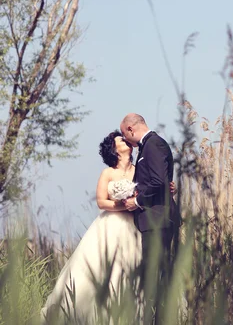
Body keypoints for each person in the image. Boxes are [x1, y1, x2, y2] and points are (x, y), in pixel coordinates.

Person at [41, 130, 176, 323]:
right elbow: (101, 202)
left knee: (130, 271)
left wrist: (169, 187)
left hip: (136, 226)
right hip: (111, 225)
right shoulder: (108, 173)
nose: (127, 141)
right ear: (114, 148)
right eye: (121, 139)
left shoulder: (139, 168)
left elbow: (154, 185)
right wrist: (122, 205)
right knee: (102, 269)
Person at [119, 113, 182, 324]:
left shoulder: (153, 145)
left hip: (158, 220)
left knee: (156, 275)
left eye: (124, 135)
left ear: (130, 129)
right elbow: (158, 181)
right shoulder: (147, 147)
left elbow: (158, 181)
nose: (126, 140)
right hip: (154, 220)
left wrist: (136, 202)